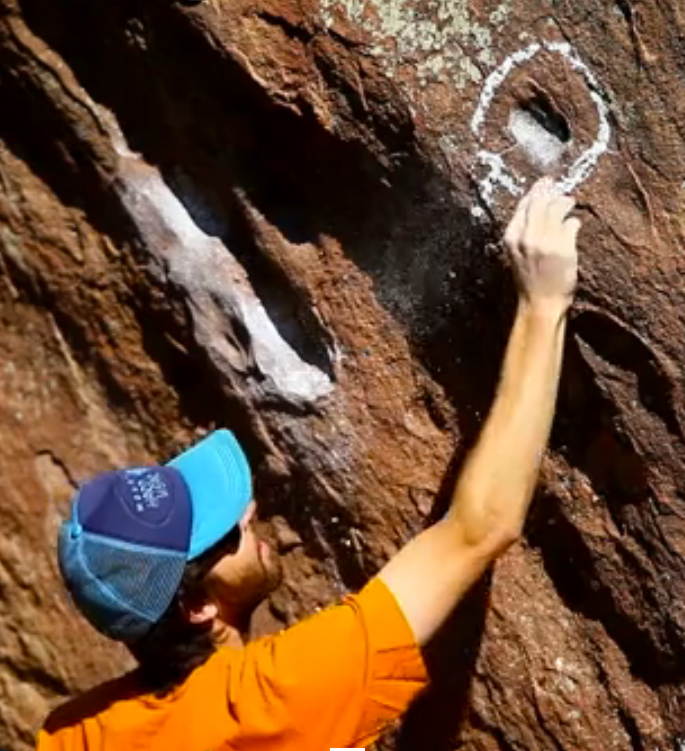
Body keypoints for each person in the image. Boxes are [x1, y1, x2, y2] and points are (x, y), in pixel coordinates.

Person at [36, 177, 583, 750]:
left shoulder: (76, 734)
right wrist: (543, 305)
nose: (248, 511)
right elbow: (480, 528)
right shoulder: (278, 698)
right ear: (197, 606)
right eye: (227, 531)